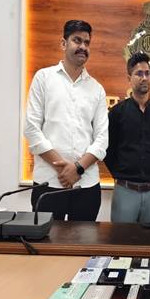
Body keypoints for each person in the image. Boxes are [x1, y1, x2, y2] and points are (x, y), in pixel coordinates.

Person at [24, 20, 108, 221]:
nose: (83, 47)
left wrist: (77, 168)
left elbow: (102, 139)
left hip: (86, 184)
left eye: (87, 42)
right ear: (63, 43)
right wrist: (63, 169)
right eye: (77, 40)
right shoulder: (43, 78)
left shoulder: (96, 89)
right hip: (48, 183)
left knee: (85, 240)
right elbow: (32, 130)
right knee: (47, 240)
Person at [104, 52, 150, 223]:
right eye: (139, 74)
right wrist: (121, 175)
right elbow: (108, 150)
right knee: (121, 239)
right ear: (129, 78)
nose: (144, 78)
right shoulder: (117, 113)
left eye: (147, 73)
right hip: (125, 191)